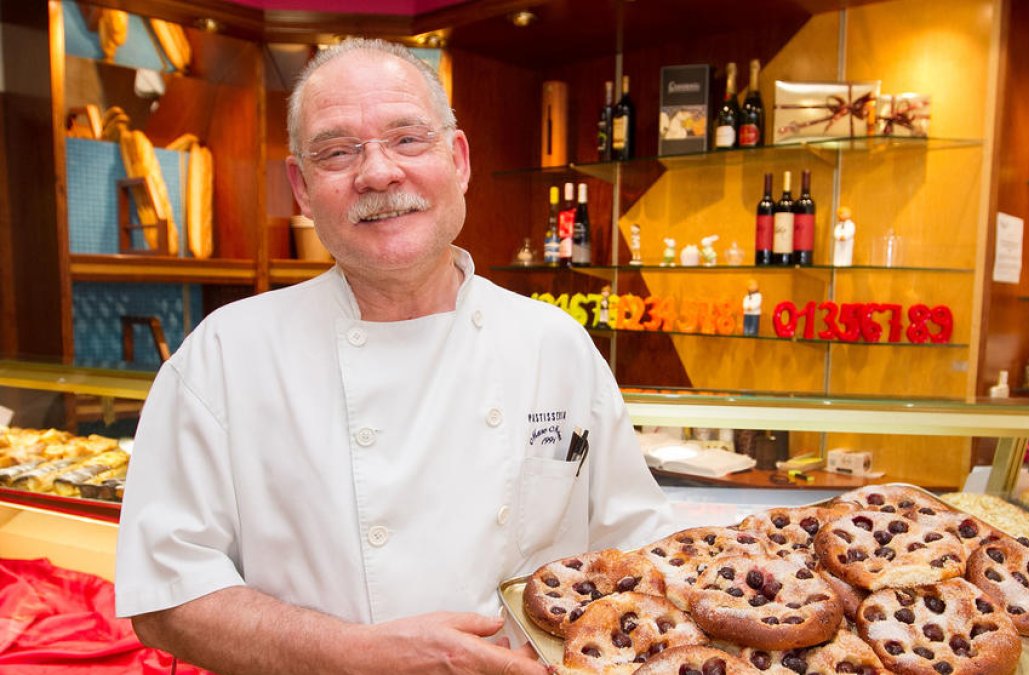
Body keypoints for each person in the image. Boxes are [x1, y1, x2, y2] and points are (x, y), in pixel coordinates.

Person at [114, 38, 672, 674]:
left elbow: (641, 552)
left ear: (458, 160)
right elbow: (164, 600)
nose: (378, 173)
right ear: (300, 186)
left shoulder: (554, 344)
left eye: (408, 139)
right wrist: (354, 655)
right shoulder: (222, 358)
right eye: (336, 152)